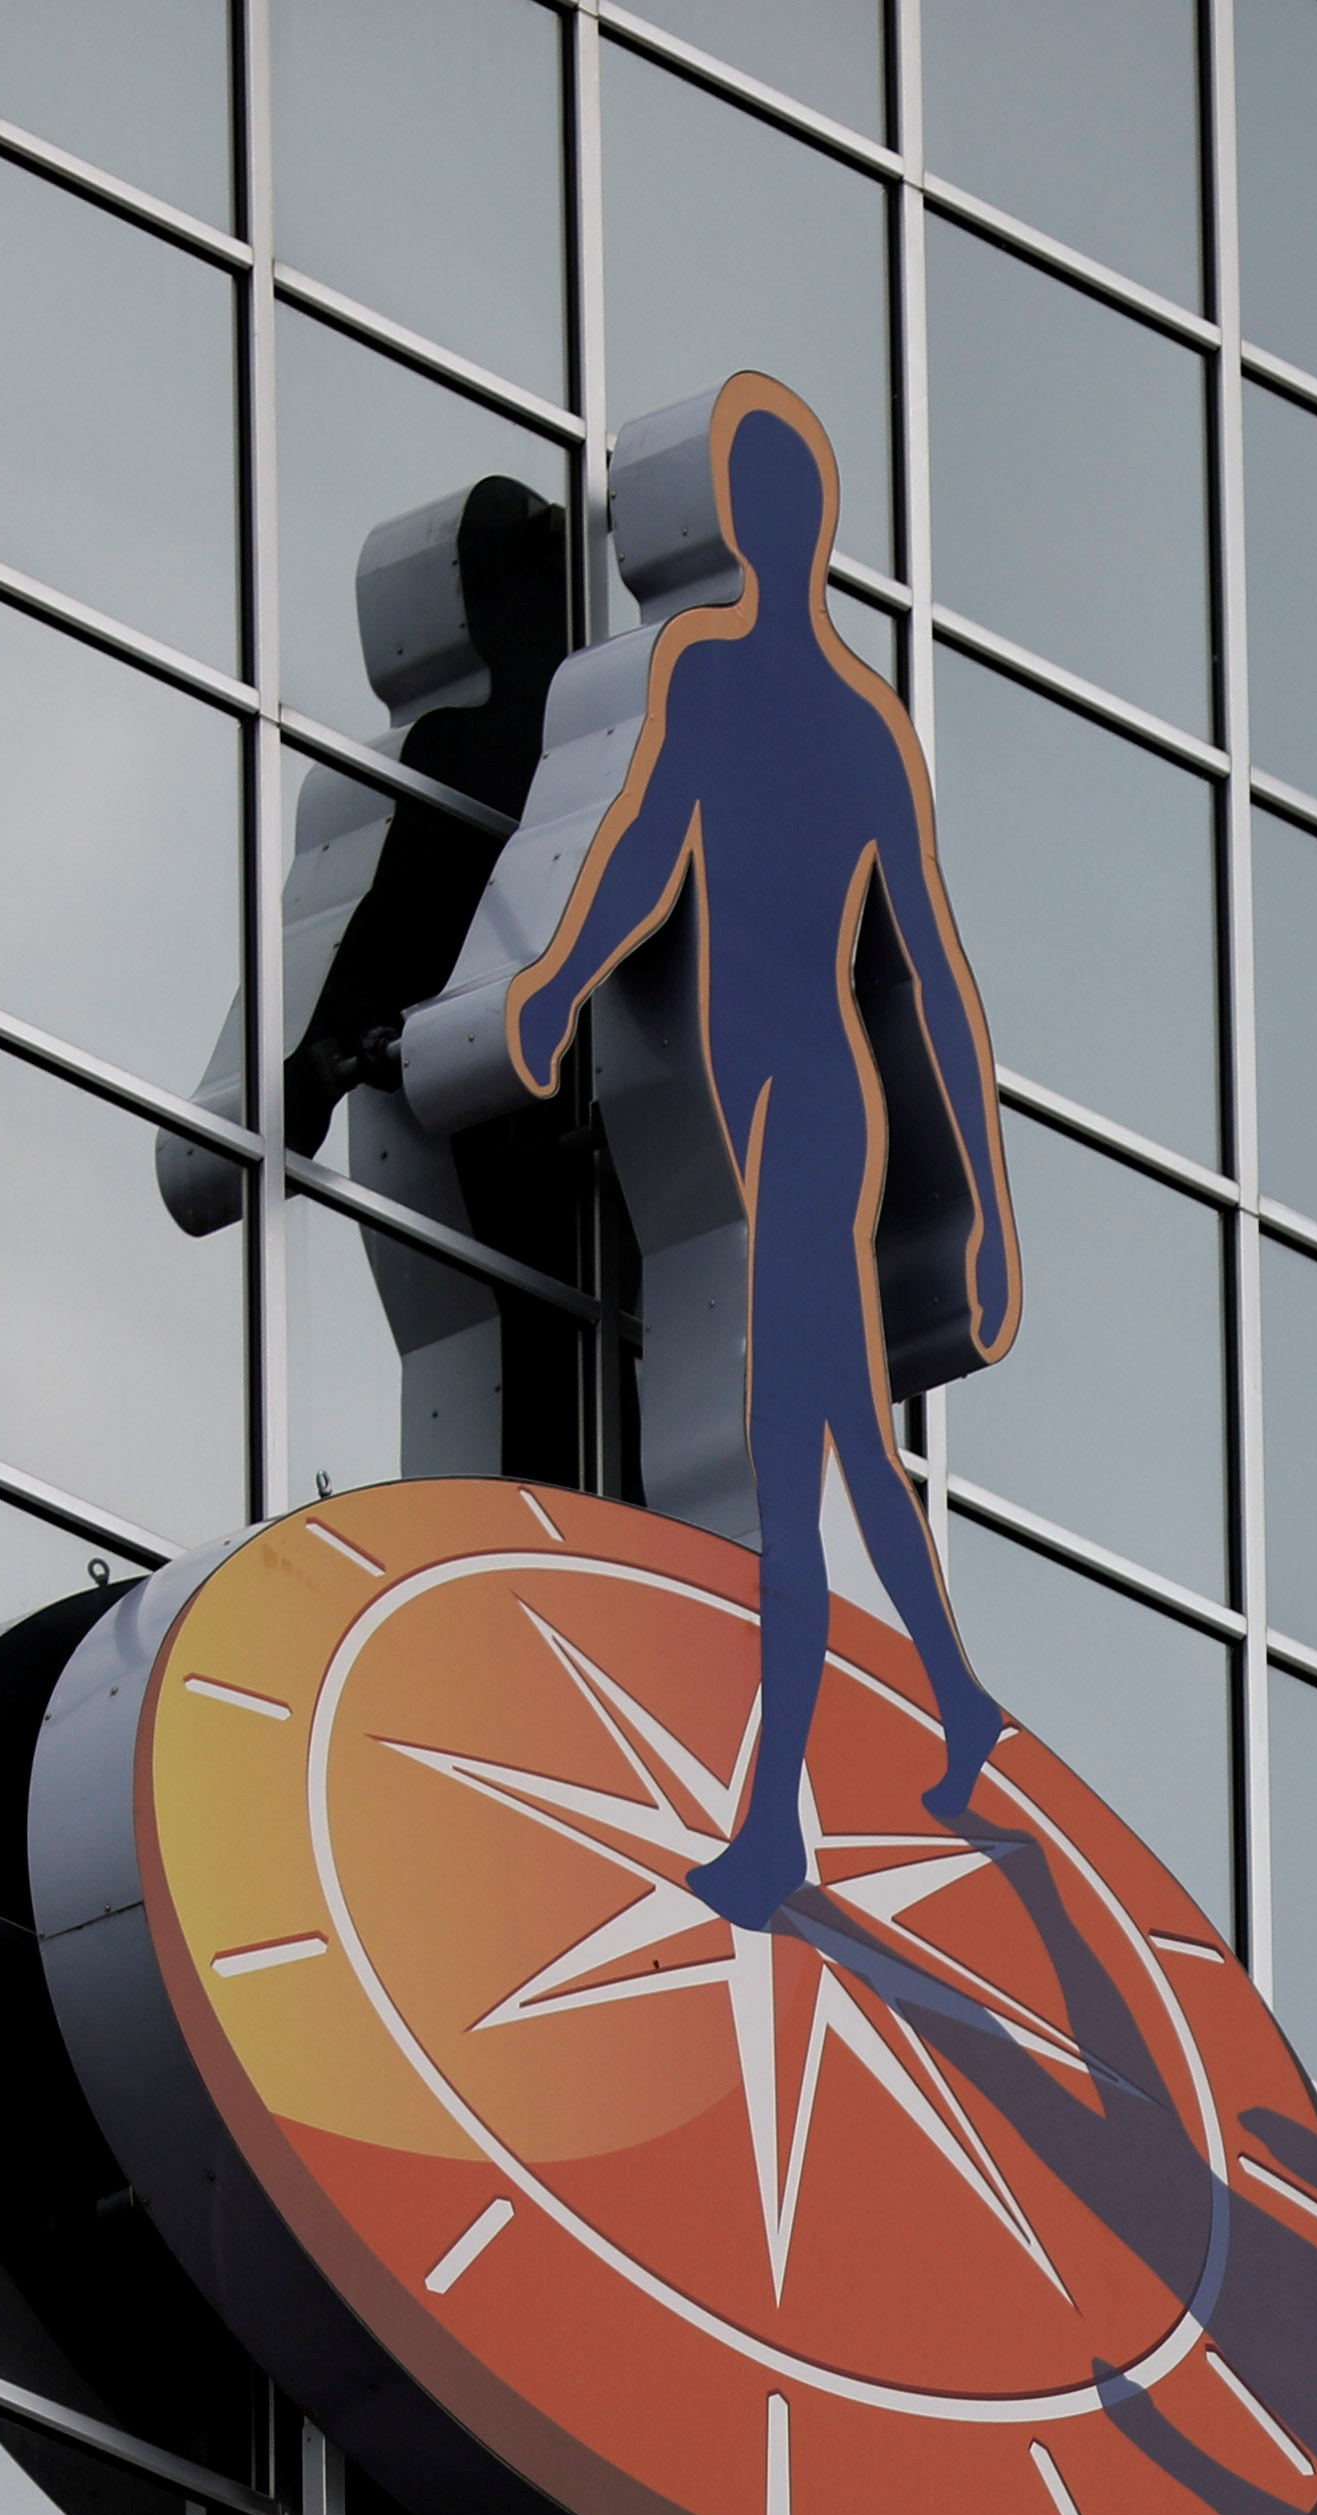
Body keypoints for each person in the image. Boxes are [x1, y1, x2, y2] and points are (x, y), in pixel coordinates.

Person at [400, 371, 1022, 1924]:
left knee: (781, 1467)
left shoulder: (835, 716)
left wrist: (989, 1215)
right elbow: (631, 856)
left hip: (806, 1112)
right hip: (749, 1111)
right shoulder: (709, 680)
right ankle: (950, 1704)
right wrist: (540, 991)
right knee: (840, 1452)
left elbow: (930, 969)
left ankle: (779, 1828)